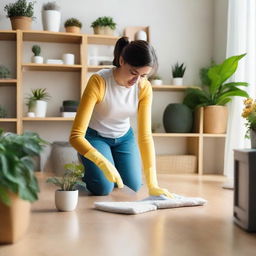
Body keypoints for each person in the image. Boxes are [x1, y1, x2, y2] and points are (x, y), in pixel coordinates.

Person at [69, 37, 173, 197]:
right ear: (121, 60)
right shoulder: (99, 81)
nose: (136, 80)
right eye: (133, 73)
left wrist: (153, 184)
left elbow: (145, 137)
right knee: (103, 188)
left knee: (133, 186)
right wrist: (100, 161)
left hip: (124, 138)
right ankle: (87, 168)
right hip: (96, 137)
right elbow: (75, 136)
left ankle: (109, 165)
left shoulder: (144, 88)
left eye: (144, 75)